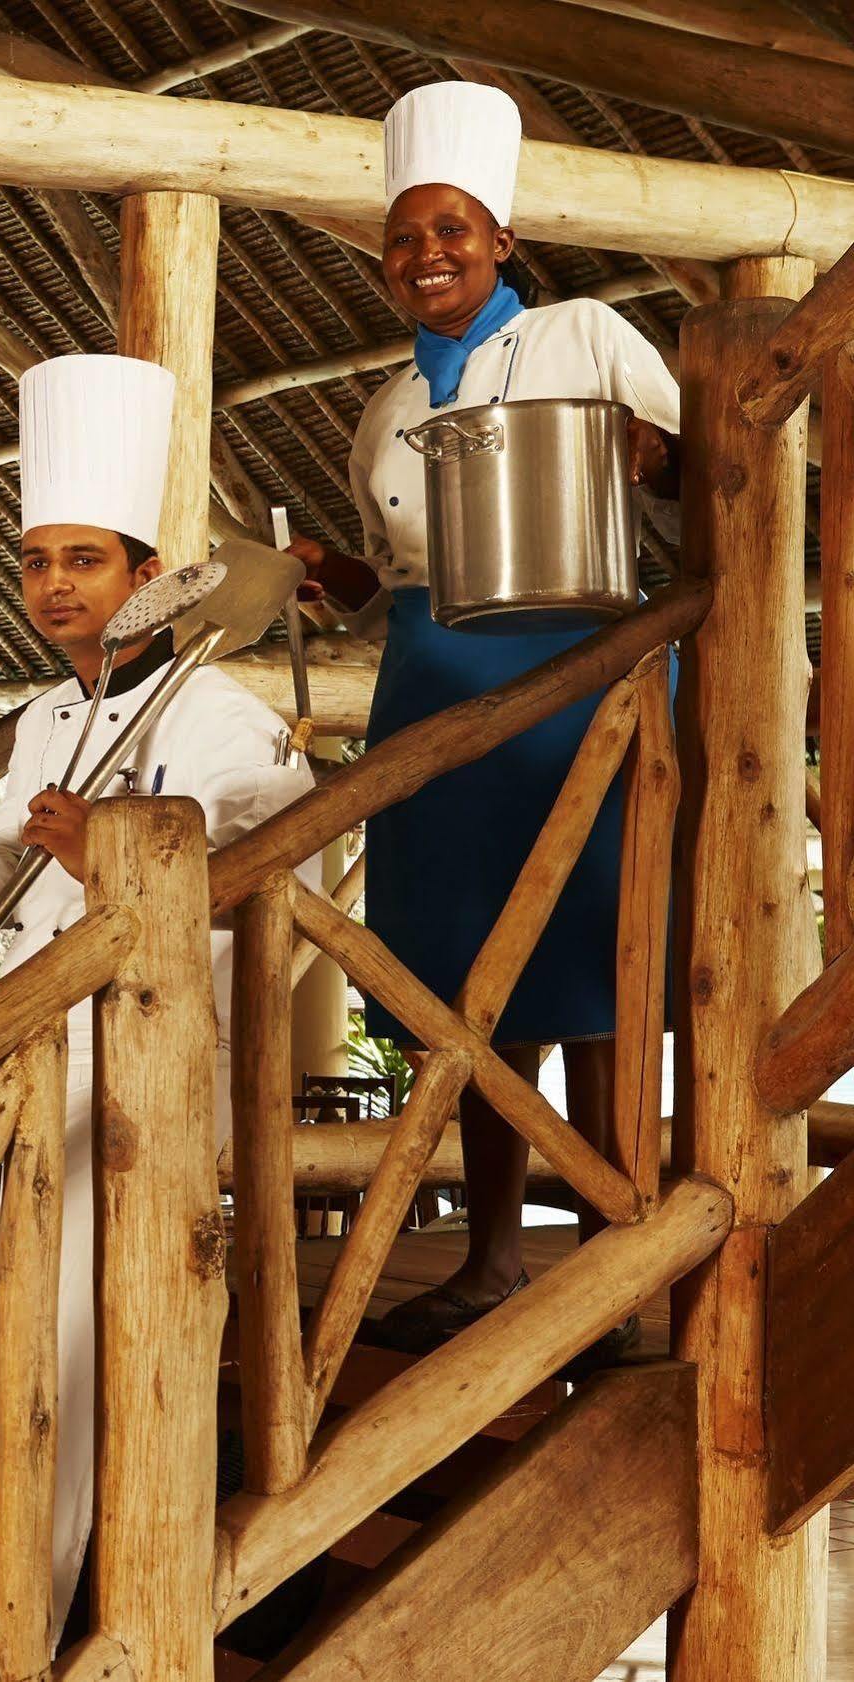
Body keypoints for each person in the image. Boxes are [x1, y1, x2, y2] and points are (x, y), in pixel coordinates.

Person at [0, 352, 317, 1648]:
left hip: (142, 1089)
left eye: (82, 558)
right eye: (36, 561)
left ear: (143, 579)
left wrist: (102, 849)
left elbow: (260, 881)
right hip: (31, 1067)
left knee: (57, 1360)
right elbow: (4, 881)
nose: (55, 584)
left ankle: (6, 1637)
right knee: (1, 1355)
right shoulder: (30, 725)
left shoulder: (230, 720)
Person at [283, 81, 680, 1357]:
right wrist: (320, 582)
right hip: (428, 692)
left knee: (597, 966)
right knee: (469, 983)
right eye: (403, 237)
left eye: (450, 229)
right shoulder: (380, 414)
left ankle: (629, 1257)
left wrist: (643, 454)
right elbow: (393, 577)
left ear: (499, 238)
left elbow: (692, 459)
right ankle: (500, 1256)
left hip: (581, 677)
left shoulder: (586, 336)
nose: (425, 255)